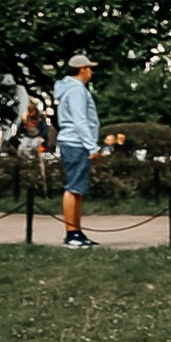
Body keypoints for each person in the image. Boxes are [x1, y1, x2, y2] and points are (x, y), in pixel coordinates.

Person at [54, 51, 102, 252]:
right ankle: (72, 233)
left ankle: (76, 231)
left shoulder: (70, 90)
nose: (91, 72)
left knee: (77, 188)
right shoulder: (76, 91)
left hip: (73, 142)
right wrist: (91, 145)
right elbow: (80, 120)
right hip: (76, 143)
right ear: (82, 69)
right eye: (89, 68)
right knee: (73, 187)